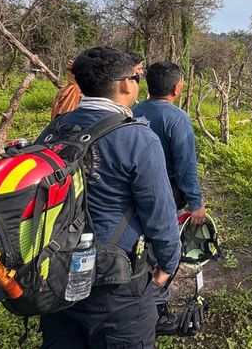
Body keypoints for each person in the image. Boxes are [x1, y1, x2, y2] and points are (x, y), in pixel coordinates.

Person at [37, 47, 180, 348]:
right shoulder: (137, 138)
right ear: (125, 84)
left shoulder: (54, 129)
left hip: (55, 270)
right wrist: (167, 263)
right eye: (136, 77)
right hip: (115, 280)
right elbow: (160, 214)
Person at [132, 61, 208, 335]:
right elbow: (186, 166)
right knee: (165, 248)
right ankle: (157, 311)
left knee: (142, 244)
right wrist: (196, 202)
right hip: (166, 193)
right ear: (177, 88)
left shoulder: (132, 110)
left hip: (134, 192)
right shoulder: (177, 118)